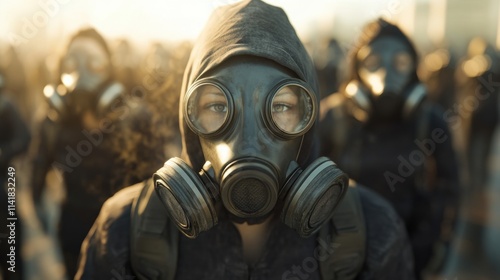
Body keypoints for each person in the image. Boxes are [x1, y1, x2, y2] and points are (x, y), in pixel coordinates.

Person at [76, 1, 414, 279]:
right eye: (218, 105)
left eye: (280, 105)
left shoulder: (371, 232)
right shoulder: (123, 230)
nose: (249, 136)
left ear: (308, 117)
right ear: (188, 115)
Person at [318, 18, 459, 279]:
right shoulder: (333, 116)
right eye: (373, 63)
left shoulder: (430, 120)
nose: (386, 73)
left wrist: (432, 250)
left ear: (414, 67)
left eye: (400, 63)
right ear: (355, 70)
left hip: (409, 255)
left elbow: (449, 190)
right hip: (342, 257)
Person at [30, 27, 143, 278]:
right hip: (73, 230)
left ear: (109, 68)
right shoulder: (52, 120)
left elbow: (151, 179)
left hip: (124, 230)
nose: (82, 72)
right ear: (61, 68)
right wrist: (39, 213)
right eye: (73, 62)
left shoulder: (130, 117)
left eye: (94, 62)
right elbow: (37, 172)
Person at [0, 70, 31, 280]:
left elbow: (24, 137)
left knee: (10, 242)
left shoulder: (6, 104)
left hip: (4, 182)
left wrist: (4, 153)